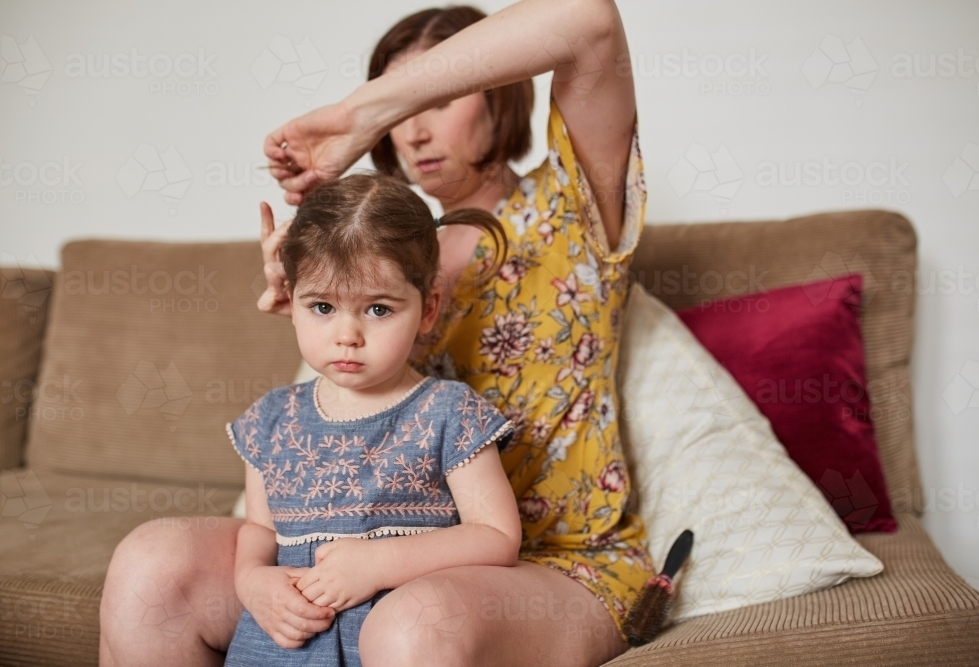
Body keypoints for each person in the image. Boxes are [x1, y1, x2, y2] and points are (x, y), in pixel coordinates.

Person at [100, 2, 652, 665]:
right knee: (149, 569)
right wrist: (319, 296)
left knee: (409, 624)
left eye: (439, 96)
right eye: (399, 114)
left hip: (553, 563)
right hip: (371, 546)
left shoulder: (570, 204)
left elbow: (587, 20)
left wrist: (365, 111)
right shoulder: (385, 253)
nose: (412, 130)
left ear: (502, 99)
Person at [223, 172, 520, 667]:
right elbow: (258, 528)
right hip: (279, 648)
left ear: (427, 311)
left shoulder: (449, 412)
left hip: (393, 646)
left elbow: (497, 536)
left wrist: (381, 562)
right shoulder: (271, 419)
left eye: (378, 309)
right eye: (321, 307)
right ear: (288, 301)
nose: (347, 335)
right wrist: (252, 580)